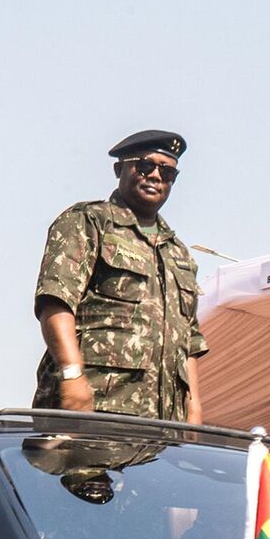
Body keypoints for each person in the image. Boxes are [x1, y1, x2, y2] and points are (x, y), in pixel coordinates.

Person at [32, 130, 205, 423]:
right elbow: (56, 302)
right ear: (119, 169)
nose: (155, 176)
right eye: (145, 165)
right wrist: (72, 374)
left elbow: (188, 342)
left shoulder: (179, 254)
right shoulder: (89, 221)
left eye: (167, 171)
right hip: (95, 407)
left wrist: (194, 408)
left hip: (163, 424)